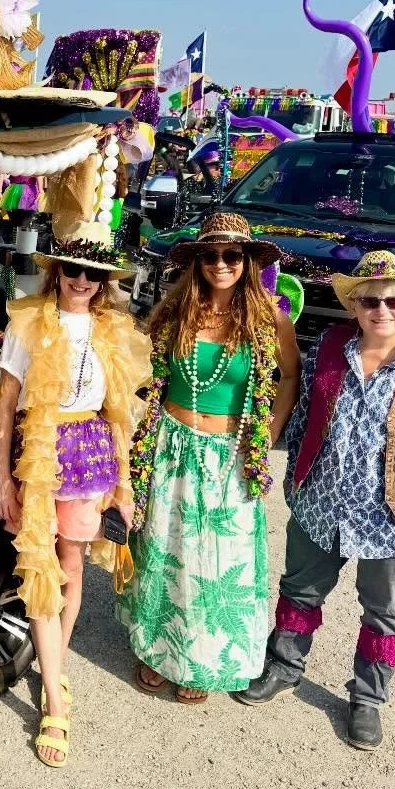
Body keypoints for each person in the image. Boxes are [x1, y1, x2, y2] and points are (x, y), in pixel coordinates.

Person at [234, 251, 395, 751]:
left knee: (384, 614)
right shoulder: (329, 348)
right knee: (300, 591)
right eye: (370, 300)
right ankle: (284, 666)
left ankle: (368, 700)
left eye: (394, 300)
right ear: (355, 307)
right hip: (320, 506)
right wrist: (293, 479)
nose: (381, 310)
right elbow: (305, 413)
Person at [123, 212, 300, 703]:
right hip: (172, 447)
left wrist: (267, 435)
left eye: (231, 255)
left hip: (231, 454)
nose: (221, 264)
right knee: (166, 550)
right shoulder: (173, 313)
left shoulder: (269, 321)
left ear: (246, 262)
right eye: (210, 255)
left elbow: (289, 377)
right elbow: (139, 373)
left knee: (217, 561)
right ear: (197, 261)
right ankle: (158, 648)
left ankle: (199, 661)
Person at [0, 221, 150, 767]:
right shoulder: (29, 321)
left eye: (94, 273)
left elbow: (121, 416)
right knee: (38, 570)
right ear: (58, 273)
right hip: (39, 452)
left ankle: (51, 667)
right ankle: (56, 699)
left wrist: (126, 487)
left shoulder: (112, 330)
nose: (82, 280)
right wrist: (2, 478)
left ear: (103, 282)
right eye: (74, 270)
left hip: (91, 456)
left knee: (73, 568)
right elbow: (8, 404)